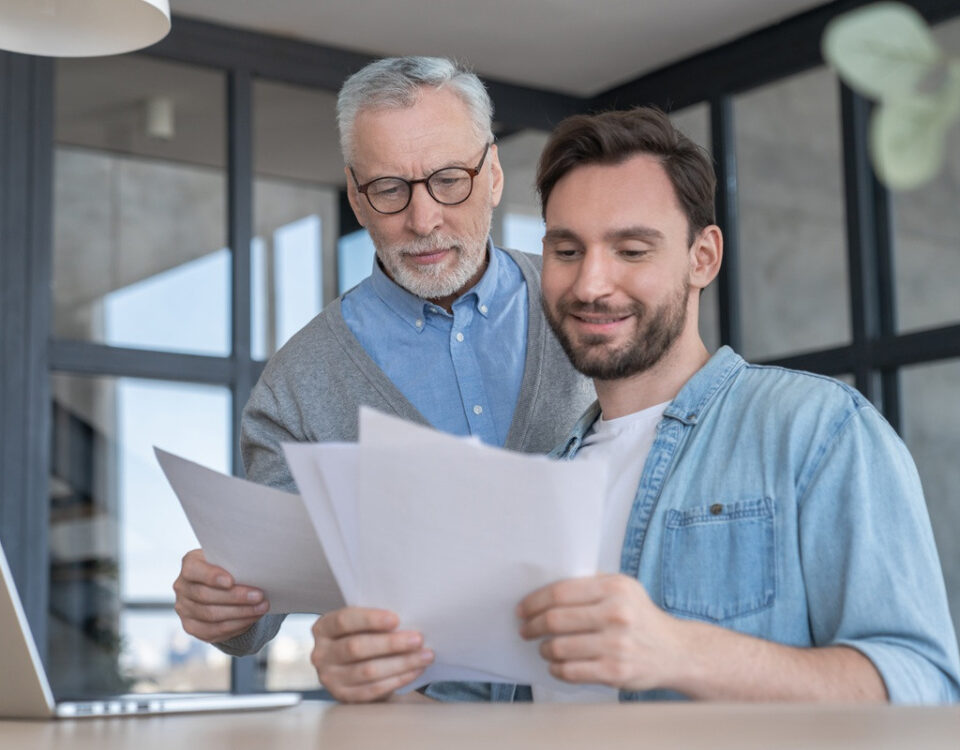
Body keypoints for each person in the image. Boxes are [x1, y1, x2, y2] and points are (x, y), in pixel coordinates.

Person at [313, 106, 960, 704]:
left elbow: (924, 687)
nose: (592, 283)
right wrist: (380, 681)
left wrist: (684, 652)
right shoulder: (542, 481)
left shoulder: (816, 430)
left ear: (702, 258)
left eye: (631, 250)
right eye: (567, 251)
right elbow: (487, 717)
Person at [171, 57, 594, 666]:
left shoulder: (588, 304)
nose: (423, 221)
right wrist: (220, 605)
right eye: (390, 189)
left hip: (597, 705)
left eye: (450, 179)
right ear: (356, 197)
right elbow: (256, 607)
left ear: (495, 174)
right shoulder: (297, 385)